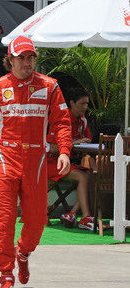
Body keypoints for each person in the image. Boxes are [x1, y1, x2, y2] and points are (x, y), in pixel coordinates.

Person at [0, 36, 72, 288]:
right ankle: (5, 274)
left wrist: (65, 151)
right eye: (22, 58)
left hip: (36, 162)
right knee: (3, 221)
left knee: (37, 220)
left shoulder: (50, 86)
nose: (27, 62)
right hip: (5, 160)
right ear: (10, 60)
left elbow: (61, 122)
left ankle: (23, 252)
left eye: (31, 57)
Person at [46, 87, 95, 230]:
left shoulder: (82, 120)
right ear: (72, 103)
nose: (85, 107)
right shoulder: (61, 118)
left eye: (87, 104)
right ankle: (86, 217)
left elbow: (88, 140)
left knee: (91, 175)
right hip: (52, 163)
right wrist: (75, 143)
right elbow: (53, 148)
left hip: (68, 163)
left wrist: (80, 143)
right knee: (84, 177)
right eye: (82, 103)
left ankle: (72, 214)